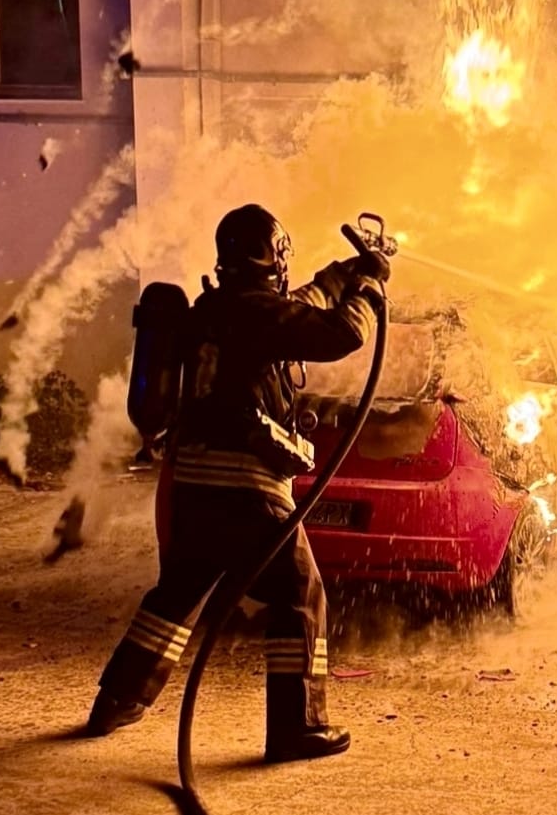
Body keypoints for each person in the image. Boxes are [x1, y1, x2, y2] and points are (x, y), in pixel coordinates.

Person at [86, 204, 389, 763]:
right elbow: (340, 334)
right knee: (299, 593)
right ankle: (297, 728)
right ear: (272, 256)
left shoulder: (217, 308)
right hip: (246, 489)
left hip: (194, 487)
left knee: (176, 594)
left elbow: (299, 307)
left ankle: (117, 700)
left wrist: (343, 274)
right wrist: (368, 288)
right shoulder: (256, 313)